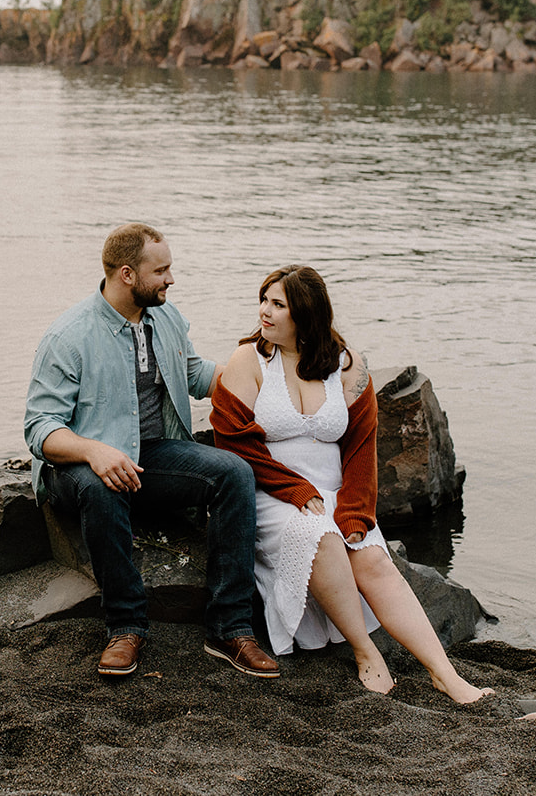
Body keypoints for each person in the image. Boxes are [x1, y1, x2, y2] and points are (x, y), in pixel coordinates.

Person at [209, 265, 492, 703]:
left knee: (373, 560)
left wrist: (356, 510)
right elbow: (234, 443)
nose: (264, 311)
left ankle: (446, 674)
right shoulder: (249, 360)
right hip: (273, 495)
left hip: (335, 492)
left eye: (277, 304)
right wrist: (296, 492)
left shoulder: (347, 364)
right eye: (264, 299)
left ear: (306, 314)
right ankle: (365, 650)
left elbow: (362, 447)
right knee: (318, 535)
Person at [25, 223, 279, 679]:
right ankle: (126, 627)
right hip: (77, 467)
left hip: (152, 455)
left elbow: (195, 373)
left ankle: (230, 628)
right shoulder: (68, 337)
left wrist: (268, 377)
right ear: (127, 274)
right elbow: (40, 429)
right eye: (161, 270)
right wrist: (94, 452)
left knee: (234, 473)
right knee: (102, 487)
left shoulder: (166, 318)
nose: (171, 279)